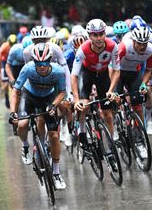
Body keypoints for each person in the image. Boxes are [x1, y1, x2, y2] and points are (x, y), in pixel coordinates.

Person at [9, 43, 67, 190]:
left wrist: (53, 105)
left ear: (50, 61)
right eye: (38, 63)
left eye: (45, 63)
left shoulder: (59, 72)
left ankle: (56, 173)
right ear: (33, 61)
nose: (41, 66)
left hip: (48, 98)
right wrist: (12, 112)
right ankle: (26, 146)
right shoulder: (28, 68)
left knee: (54, 136)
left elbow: (62, 92)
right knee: (22, 125)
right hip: (29, 96)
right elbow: (15, 91)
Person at [71, 19, 120, 151]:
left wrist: (111, 90)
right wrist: (76, 100)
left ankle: (111, 140)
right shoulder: (83, 49)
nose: (99, 38)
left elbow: (116, 70)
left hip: (103, 75)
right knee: (83, 106)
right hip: (87, 75)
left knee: (107, 113)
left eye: (101, 34)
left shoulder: (112, 46)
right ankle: (81, 132)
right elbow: (74, 75)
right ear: (89, 36)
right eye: (95, 35)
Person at [0, 34, 17, 108]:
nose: (11, 47)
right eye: (11, 45)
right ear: (8, 43)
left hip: (12, 64)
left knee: (13, 81)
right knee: (5, 84)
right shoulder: (4, 47)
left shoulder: (17, 48)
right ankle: (6, 95)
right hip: (4, 63)